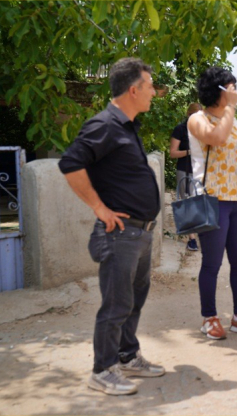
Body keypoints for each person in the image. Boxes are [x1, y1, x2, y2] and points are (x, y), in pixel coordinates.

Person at [58, 58, 165, 395]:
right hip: (120, 234)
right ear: (133, 90)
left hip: (140, 232)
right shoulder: (103, 125)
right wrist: (99, 208)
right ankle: (102, 370)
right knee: (116, 304)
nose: (153, 92)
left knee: (133, 300)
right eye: (149, 86)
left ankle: (127, 355)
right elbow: (70, 163)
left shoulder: (127, 126)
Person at [187, 67, 237, 340]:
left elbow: (234, 160)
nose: (235, 92)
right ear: (217, 91)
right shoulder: (198, 119)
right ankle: (209, 318)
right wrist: (230, 109)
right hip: (213, 199)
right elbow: (216, 138)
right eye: (230, 87)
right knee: (212, 263)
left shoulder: (235, 122)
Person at [170, 102, 203, 251]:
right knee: (187, 205)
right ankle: (192, 239)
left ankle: (199, 236)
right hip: (184, 170)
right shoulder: (179, 130)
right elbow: (172, 153)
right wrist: (190, 152)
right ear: (189, 115)